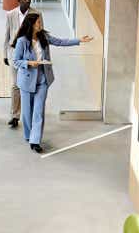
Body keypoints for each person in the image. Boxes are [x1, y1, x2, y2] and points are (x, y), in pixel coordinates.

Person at [13, 13, 92, 153]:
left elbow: (61, 42)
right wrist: (29, 63)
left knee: (38, 111)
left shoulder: (44, 36)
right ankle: (28, 135)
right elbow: (16, 61)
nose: (40, 24)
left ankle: (35, 140)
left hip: (43, 79)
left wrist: (79, 40)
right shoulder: (22, 41)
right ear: (31, 24)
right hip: (26, 81)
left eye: (40, 22)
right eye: (38, 22)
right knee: (27, 111)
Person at [3, 0, 42, 128]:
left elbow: (40, 34)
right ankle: (14, 115)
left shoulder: (36, 14)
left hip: (30, 56)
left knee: (29, 86)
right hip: (14, 55)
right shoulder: (11, 14)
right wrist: (4, 55)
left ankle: (29, 114)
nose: (28, 1)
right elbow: (7, 36)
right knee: (15, 85)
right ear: (18, 1)